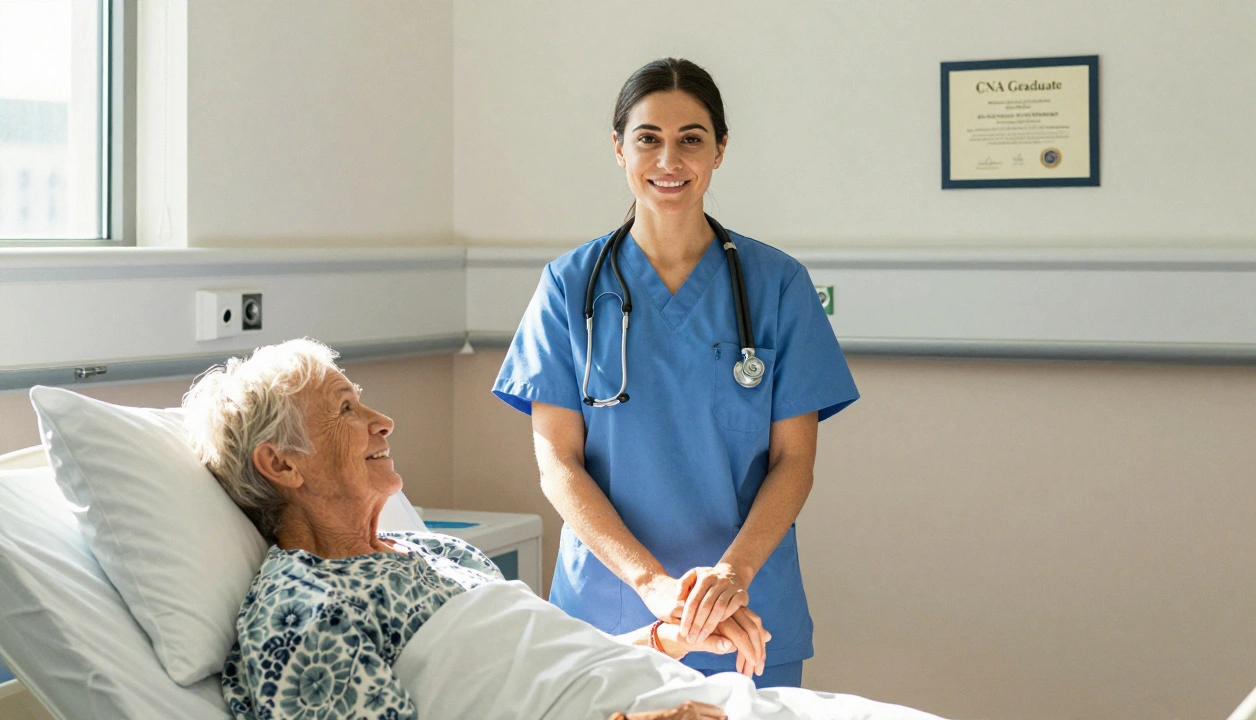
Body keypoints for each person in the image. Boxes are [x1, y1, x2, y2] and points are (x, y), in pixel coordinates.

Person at [493, 58, 859, 688]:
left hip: (747, 615)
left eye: (691, 138)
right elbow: (557, 463)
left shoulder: (776, 286)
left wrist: (733, 577)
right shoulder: (568, 287)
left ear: (720, 148)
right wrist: (651, 584)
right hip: (610, 613)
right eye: (648, 139)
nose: (669, 160)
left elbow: (794, 460)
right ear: (618, 149)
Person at [183, 339, 763, 720]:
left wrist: (672, 637)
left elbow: (546, 672)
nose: (383, 422)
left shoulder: (433, 550)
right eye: (345, 410)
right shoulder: (303, 612)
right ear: (282, 464)